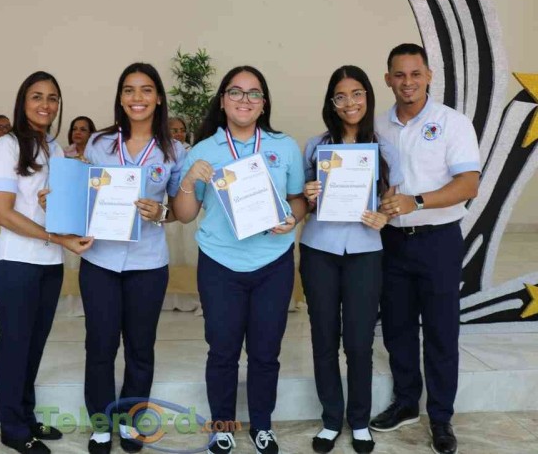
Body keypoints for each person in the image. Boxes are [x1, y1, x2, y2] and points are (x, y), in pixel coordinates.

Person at [173, 66, 307, 454]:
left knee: (266, 352)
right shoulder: (203, 150)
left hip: (273, 263)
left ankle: (262, 425)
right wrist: (188, 180)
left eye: (253, 93)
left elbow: (298, 199)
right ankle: (223, 426)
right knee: (223, 350)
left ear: (264, 103)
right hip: (220, 264)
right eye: (235, 92)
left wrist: (292, 217)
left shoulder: (284, 146)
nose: (244, 100)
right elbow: (184, 215)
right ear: (222, 101)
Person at [369, 44, 480, 454]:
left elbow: (468, 184)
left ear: (429, 76)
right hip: (391, 241)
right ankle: (405, 403)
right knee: (397, 327)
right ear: (388, 79)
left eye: (415, 74)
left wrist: (415, 201)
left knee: (440, 331)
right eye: (399, 75)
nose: (408, 82)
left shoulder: (452, 123)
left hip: (438, 240)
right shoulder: (377, 126)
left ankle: (441, 417)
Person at [80, 63, 187, 454]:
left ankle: (128, 420)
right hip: (100, 261)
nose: (137, 98)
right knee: (100, 345)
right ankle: (100, 423)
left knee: (140, 347)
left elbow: (179, 210)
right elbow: (82, 196)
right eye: (129, 90)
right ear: (120, 97)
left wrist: (160, 212)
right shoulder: (99, 143)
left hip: (148, 263)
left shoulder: (174, 150)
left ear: (158, 98)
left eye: (145, 90)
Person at [0, 71, 94, 454]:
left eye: (52, 98)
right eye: (37, 96)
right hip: (16, 262)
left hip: (49, 264)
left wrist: (63, 209)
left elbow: (56, 212)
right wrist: (58, 237)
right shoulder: (6, 146)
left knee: (33, 347)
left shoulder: (55, 148)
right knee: (15, 346)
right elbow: (3, 213)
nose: (45, 105)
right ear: (23, 101)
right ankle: (12, 428)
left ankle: (25, 416)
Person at [299, 66, 403, 454]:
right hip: (319, 251)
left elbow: (391, 201)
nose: (350, 103)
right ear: (331, 103)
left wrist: (384, 218)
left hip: (365, 252)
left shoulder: (386, 149)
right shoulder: (315, 147)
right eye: (340, 96)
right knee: (324, 338)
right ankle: (331, 419)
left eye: (357, 94)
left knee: (359, 342)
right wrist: (308, 194)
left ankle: (359, 420)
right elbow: (303, 203)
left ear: (368, 97)